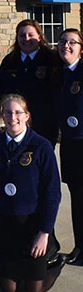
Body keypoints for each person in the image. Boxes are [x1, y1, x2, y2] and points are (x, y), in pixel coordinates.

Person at [0, 94, 63, 292]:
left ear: (27, 115)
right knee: (8, 289)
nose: (13, 117)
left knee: (33, 290)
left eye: (18, 112)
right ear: (2, 116)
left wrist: (44, 233)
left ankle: (55, 262)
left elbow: (52, 193)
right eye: (8, 113)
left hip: (32, 226)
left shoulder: (41, 146)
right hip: (6, 226)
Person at [0, 19, 60, 146]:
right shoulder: (10, 61)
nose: (26, 39)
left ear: (39, 37)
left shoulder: (51, 58)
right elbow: (0, 89)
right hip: (16, 122)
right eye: (22, 35)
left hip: (44, 122)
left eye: (31, 35)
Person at [55, 28, 83, 266]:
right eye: (63, 41)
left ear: (81, 48)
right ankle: (80, 247)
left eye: (73, 42)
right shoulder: (60, 74)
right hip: (71, 145)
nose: (66, 45)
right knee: (77, 197)